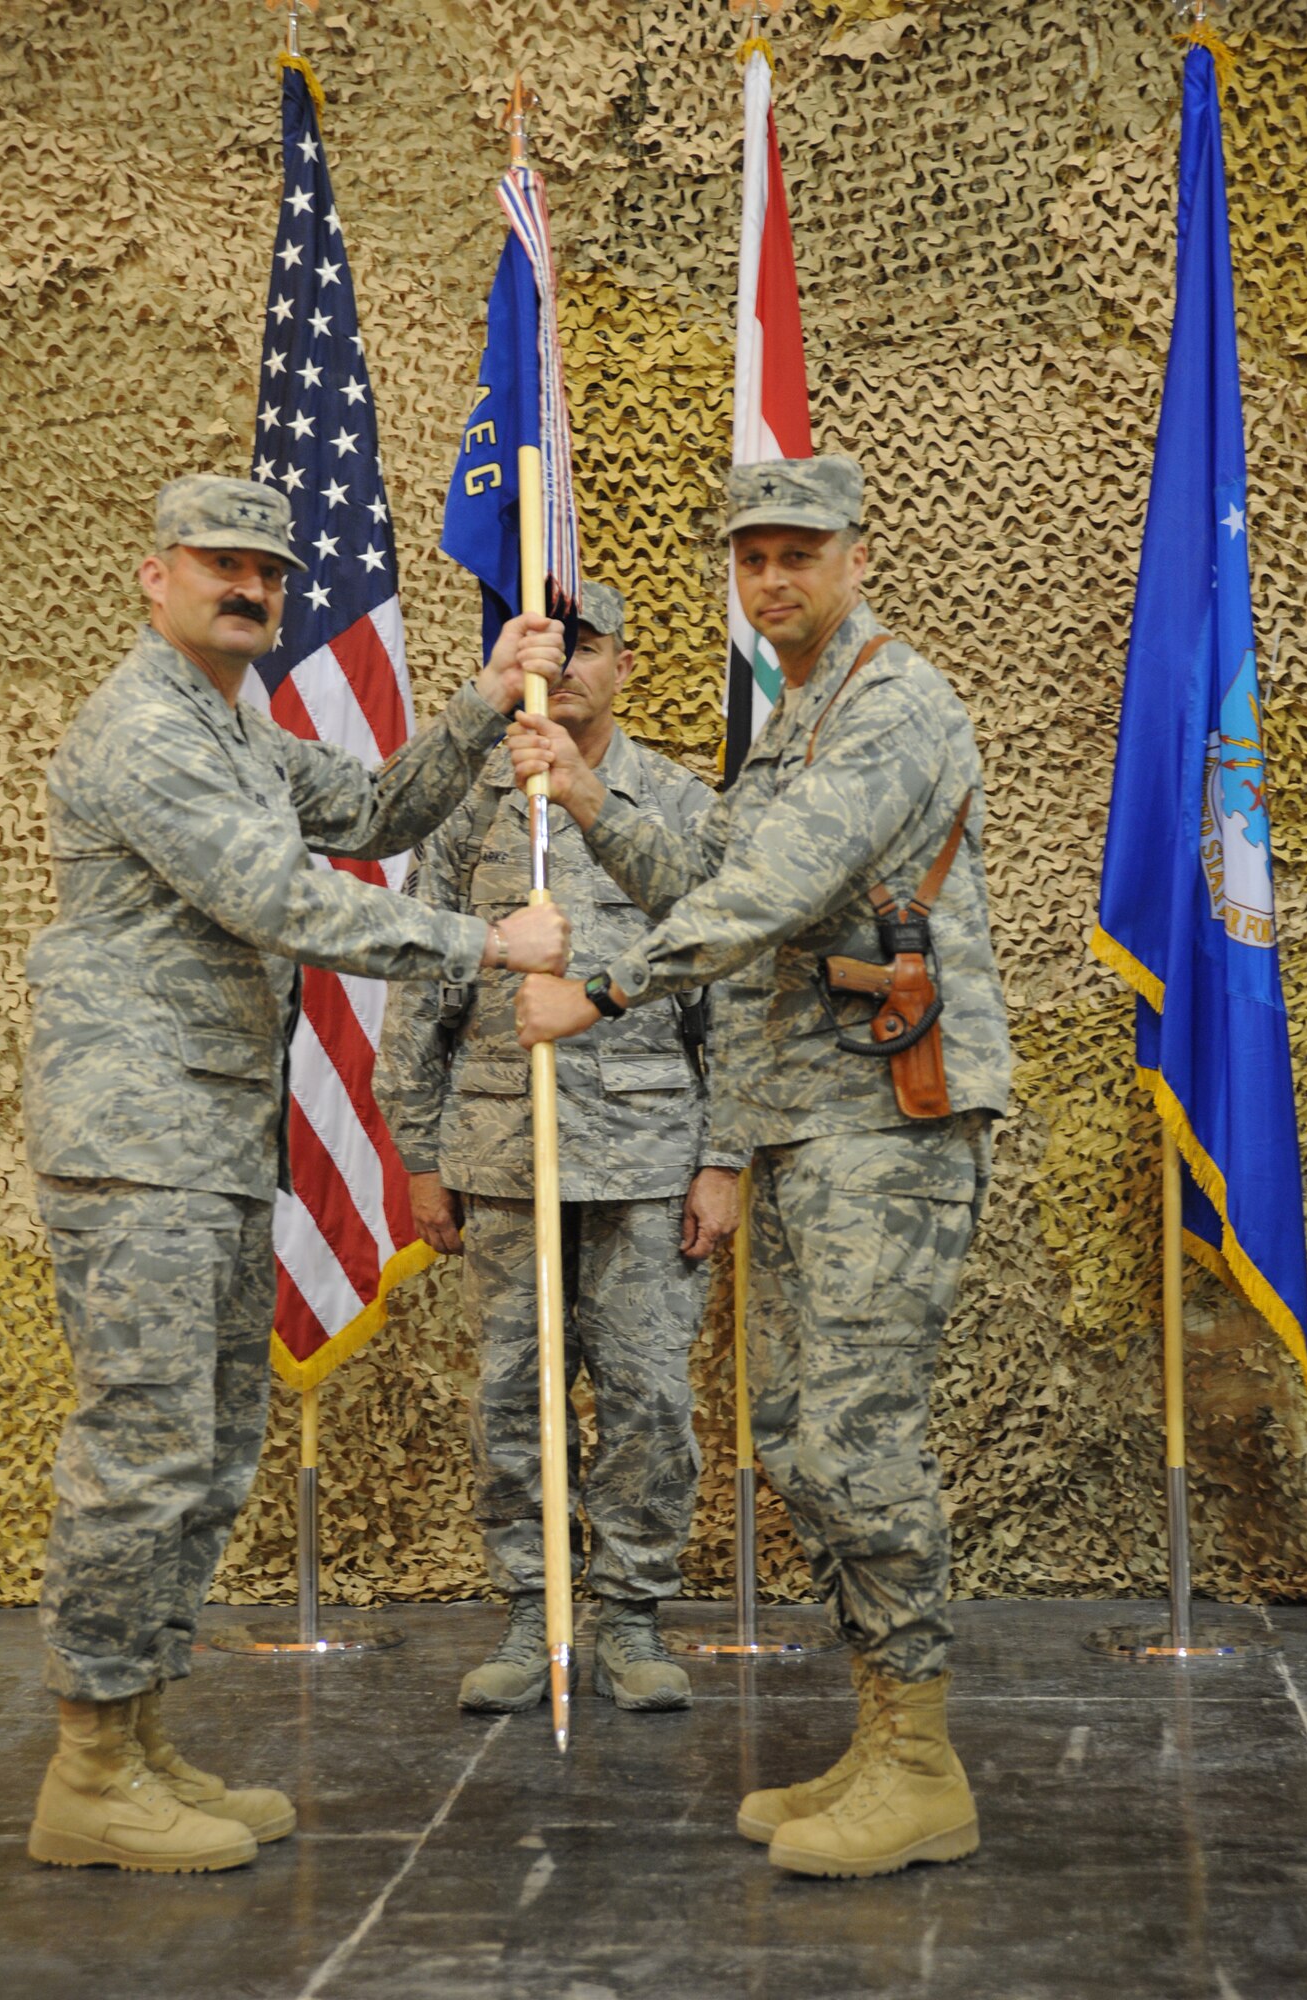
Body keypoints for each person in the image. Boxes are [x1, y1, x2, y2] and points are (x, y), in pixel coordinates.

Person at [23, 474, 570, 1874]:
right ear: (156, 578)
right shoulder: (146, 728)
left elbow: (380, 810)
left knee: (201, 1453)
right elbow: (275, 897)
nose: (250, 585)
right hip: (136, 1142)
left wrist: (483, 693)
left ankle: (136, 1734)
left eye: (267, 567)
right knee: (144, 1450)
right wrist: (479, 948)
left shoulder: (241, 733)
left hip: (202, 1141)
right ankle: (86, 1766)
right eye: (219, 563)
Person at [509, 456, 1010, 1880]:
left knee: (856, 1444)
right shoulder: (794, 718)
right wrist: (591, 795)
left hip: (888, 1126)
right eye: (750, 558)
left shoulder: (891, 710)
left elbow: (770, 894)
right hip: (807, 1119)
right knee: (794, 1437)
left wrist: (598, 991)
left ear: (858, 557)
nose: (772, 579)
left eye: (798, 552)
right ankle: (881, 1734)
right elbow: (702, 866)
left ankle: (925, 1765)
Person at [376, 582, 743, 1717]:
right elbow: (417, 983)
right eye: (546, 642)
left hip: (645, 1151)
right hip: (498, 1148)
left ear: (624, 666)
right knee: (512, 1393)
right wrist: (418, 1149)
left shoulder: (678, 803)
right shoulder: (466, 802)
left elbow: (730, 989)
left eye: (588, 646)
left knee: (643, 1395)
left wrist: (723, 1156)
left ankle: (629, 1614)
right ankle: (530, 1609)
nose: (566, 664)